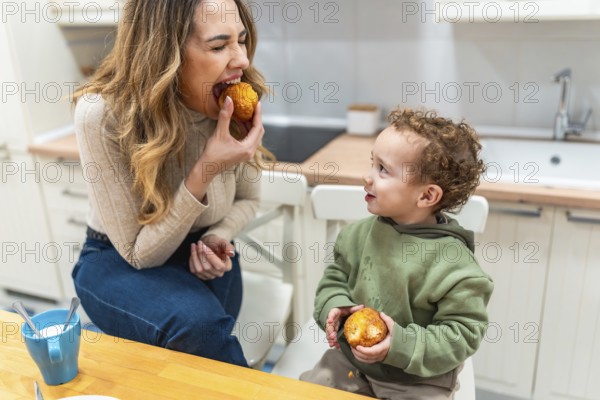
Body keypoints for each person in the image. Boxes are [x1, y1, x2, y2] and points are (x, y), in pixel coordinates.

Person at [71, 0, 270, 367]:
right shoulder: (102, 114)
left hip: (202, 252)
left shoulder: (231, 99)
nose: (241, 59)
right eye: (218, 45)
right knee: (201, 329)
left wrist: (219, 235)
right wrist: (207, 166)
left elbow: (249, 199)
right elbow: (139, 254)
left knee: (194, 362)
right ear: (165, 52)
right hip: (115, 259)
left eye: (241, 40)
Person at [300, 108, 494, 399]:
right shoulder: (358, 235)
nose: (367, 178)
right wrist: (336, 306)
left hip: (417, 379)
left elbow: (462, 335)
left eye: (383, 170)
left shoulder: (456, 267)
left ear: (427, 196)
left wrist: (398, 345)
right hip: (350, 362)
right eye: (372, 163)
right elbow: (335, 279)